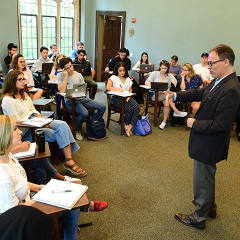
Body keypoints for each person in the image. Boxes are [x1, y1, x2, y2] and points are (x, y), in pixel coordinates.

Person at [167, 44, 240, 229]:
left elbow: (221, 125)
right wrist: (176, 95)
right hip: (207, 141)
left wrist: (195, 123)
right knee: (207, 177)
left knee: (203, 179)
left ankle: (198, 218)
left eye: (211, 63)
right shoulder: (220, 81)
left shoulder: (231, 88)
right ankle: (210, 208)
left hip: (211, 142)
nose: (208, 67)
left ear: (225, 62)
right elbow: (200, 93)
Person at [0, 115, 108, 239]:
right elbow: (14, 215)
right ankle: (83, 209)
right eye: (15, 129)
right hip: (24, 216)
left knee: (68, 195)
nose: (19, 131)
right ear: (5, 135)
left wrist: (37, 187)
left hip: (28, 199)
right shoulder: (2, 177)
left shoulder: (8, 157)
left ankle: (79, 212)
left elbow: (19, 181)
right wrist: (40, 199)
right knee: (71, 207)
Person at [1, 70, 87, 177]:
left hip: (36, 122)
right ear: (12, 81)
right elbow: (16, 122)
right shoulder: (7, 100)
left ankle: (68, 160)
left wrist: (41, 118)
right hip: (26, 130)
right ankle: (69, 161)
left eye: (24, 79)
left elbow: (33, 110)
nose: (24, 81)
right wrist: (39, 123)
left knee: (62, 124)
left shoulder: (25, 95)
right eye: (20, 79)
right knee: (57, 133)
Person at [57, 57, 106, 140]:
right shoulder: (60, 76)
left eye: (71, 66)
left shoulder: (78, 75)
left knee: (102, 107)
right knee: (84, 113)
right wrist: (65, 77)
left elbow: (83, 89)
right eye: (67, 68)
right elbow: (61, 90)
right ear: (63, 70)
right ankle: (77, 130)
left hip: (81, 98)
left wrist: (79, 92)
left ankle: (93, 124)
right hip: (70, 101)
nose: (70, 69)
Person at [145, 60, 187, 130]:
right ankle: (176, 111)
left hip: (164, 95)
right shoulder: (155, 73)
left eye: (165, 68)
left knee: (166, 102)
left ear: (168, 68)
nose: (163, 70)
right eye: (162, 68)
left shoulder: (169, 77)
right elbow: (147, 83)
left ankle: (164, 122)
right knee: (168, 97)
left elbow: (168, 88)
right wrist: (155, 87)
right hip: (154, 95)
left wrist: (165, 92)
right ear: (160, 67)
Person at [107, 62, 140, 137]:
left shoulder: (128, 79)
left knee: (137, 107)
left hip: (127, 97)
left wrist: (129, 97)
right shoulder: (113, 78)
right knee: (130, 109)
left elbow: (130, 89)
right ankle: (126, 123)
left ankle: (129, 126)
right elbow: (108, 87)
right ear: (117, 70)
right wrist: (118, 90)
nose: (122, 72)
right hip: (116, 98)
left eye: (123, 70)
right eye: (120, 70)